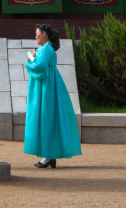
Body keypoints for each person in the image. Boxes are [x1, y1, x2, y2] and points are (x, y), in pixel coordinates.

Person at [24, 24, 82, 168]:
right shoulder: (46, 49)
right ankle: (49, 155)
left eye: (37, 33)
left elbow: (40, 67)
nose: (35, 36)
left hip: (47, 88)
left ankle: (49, 155)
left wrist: (28, 62)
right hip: (48, 85)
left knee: (46, 119)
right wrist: (35, 58)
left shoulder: (47, 49)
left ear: (44, 34)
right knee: (47, 119)